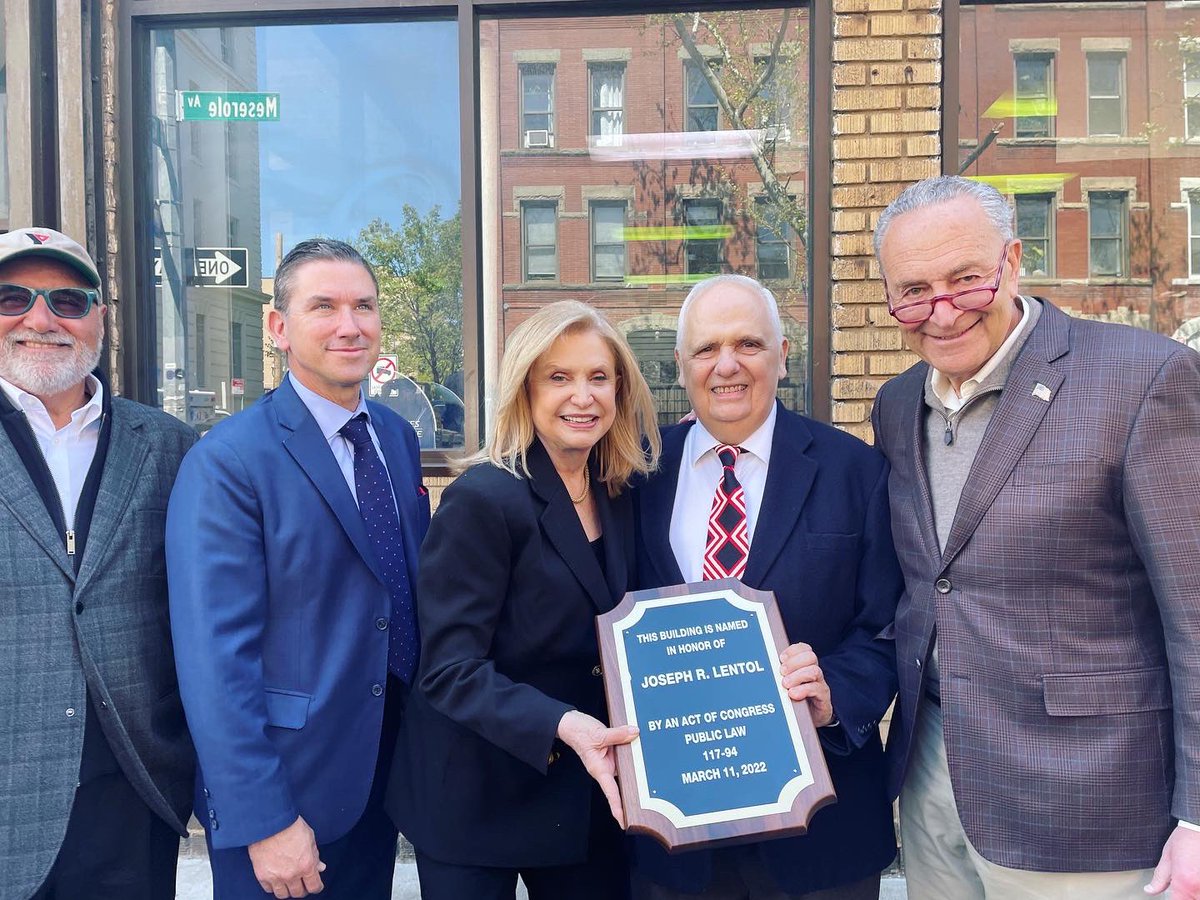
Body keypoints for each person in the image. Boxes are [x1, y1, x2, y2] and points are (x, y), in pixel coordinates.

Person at [870, 175, 1200, 900]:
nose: (943, 311)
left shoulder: (1141, 378)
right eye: (914, 290)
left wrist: (1199, 818)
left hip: (1090, 804)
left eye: (966, 281)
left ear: (1013, 260)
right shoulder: (897, 405)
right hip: (932, 788)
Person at [167, 238, 428, 899]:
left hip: (381, 776)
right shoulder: (229, 462)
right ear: (279, 328)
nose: (350, 324)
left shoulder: (395, 439)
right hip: (287, 796)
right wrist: (263, 818)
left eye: (364, 306)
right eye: (325, 306)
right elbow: (214, 661)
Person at [631, 274, 904, 899]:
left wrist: (835, 691)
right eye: (706, 349)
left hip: (820, 834)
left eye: (749, 344)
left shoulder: (854, 472)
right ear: (679, 366)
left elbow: (888, 626)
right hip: (674, 838)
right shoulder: (635, 473)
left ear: (784, 354)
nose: (726, 365)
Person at [386, 300, 661, 900]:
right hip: (474, 793)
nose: (582, 397)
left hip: (579, 793)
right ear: (525, 390)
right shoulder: (483, 499)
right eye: (559, 378)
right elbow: (449, 671)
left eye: (598, 377)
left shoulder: (620, 490)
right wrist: (563, 723)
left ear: (620, 389)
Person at [0, 227, 197, 900]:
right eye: (12, 297)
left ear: (99, 319)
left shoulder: (169, 445)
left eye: (68, 301)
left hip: (132, 794)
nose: (40, 318)